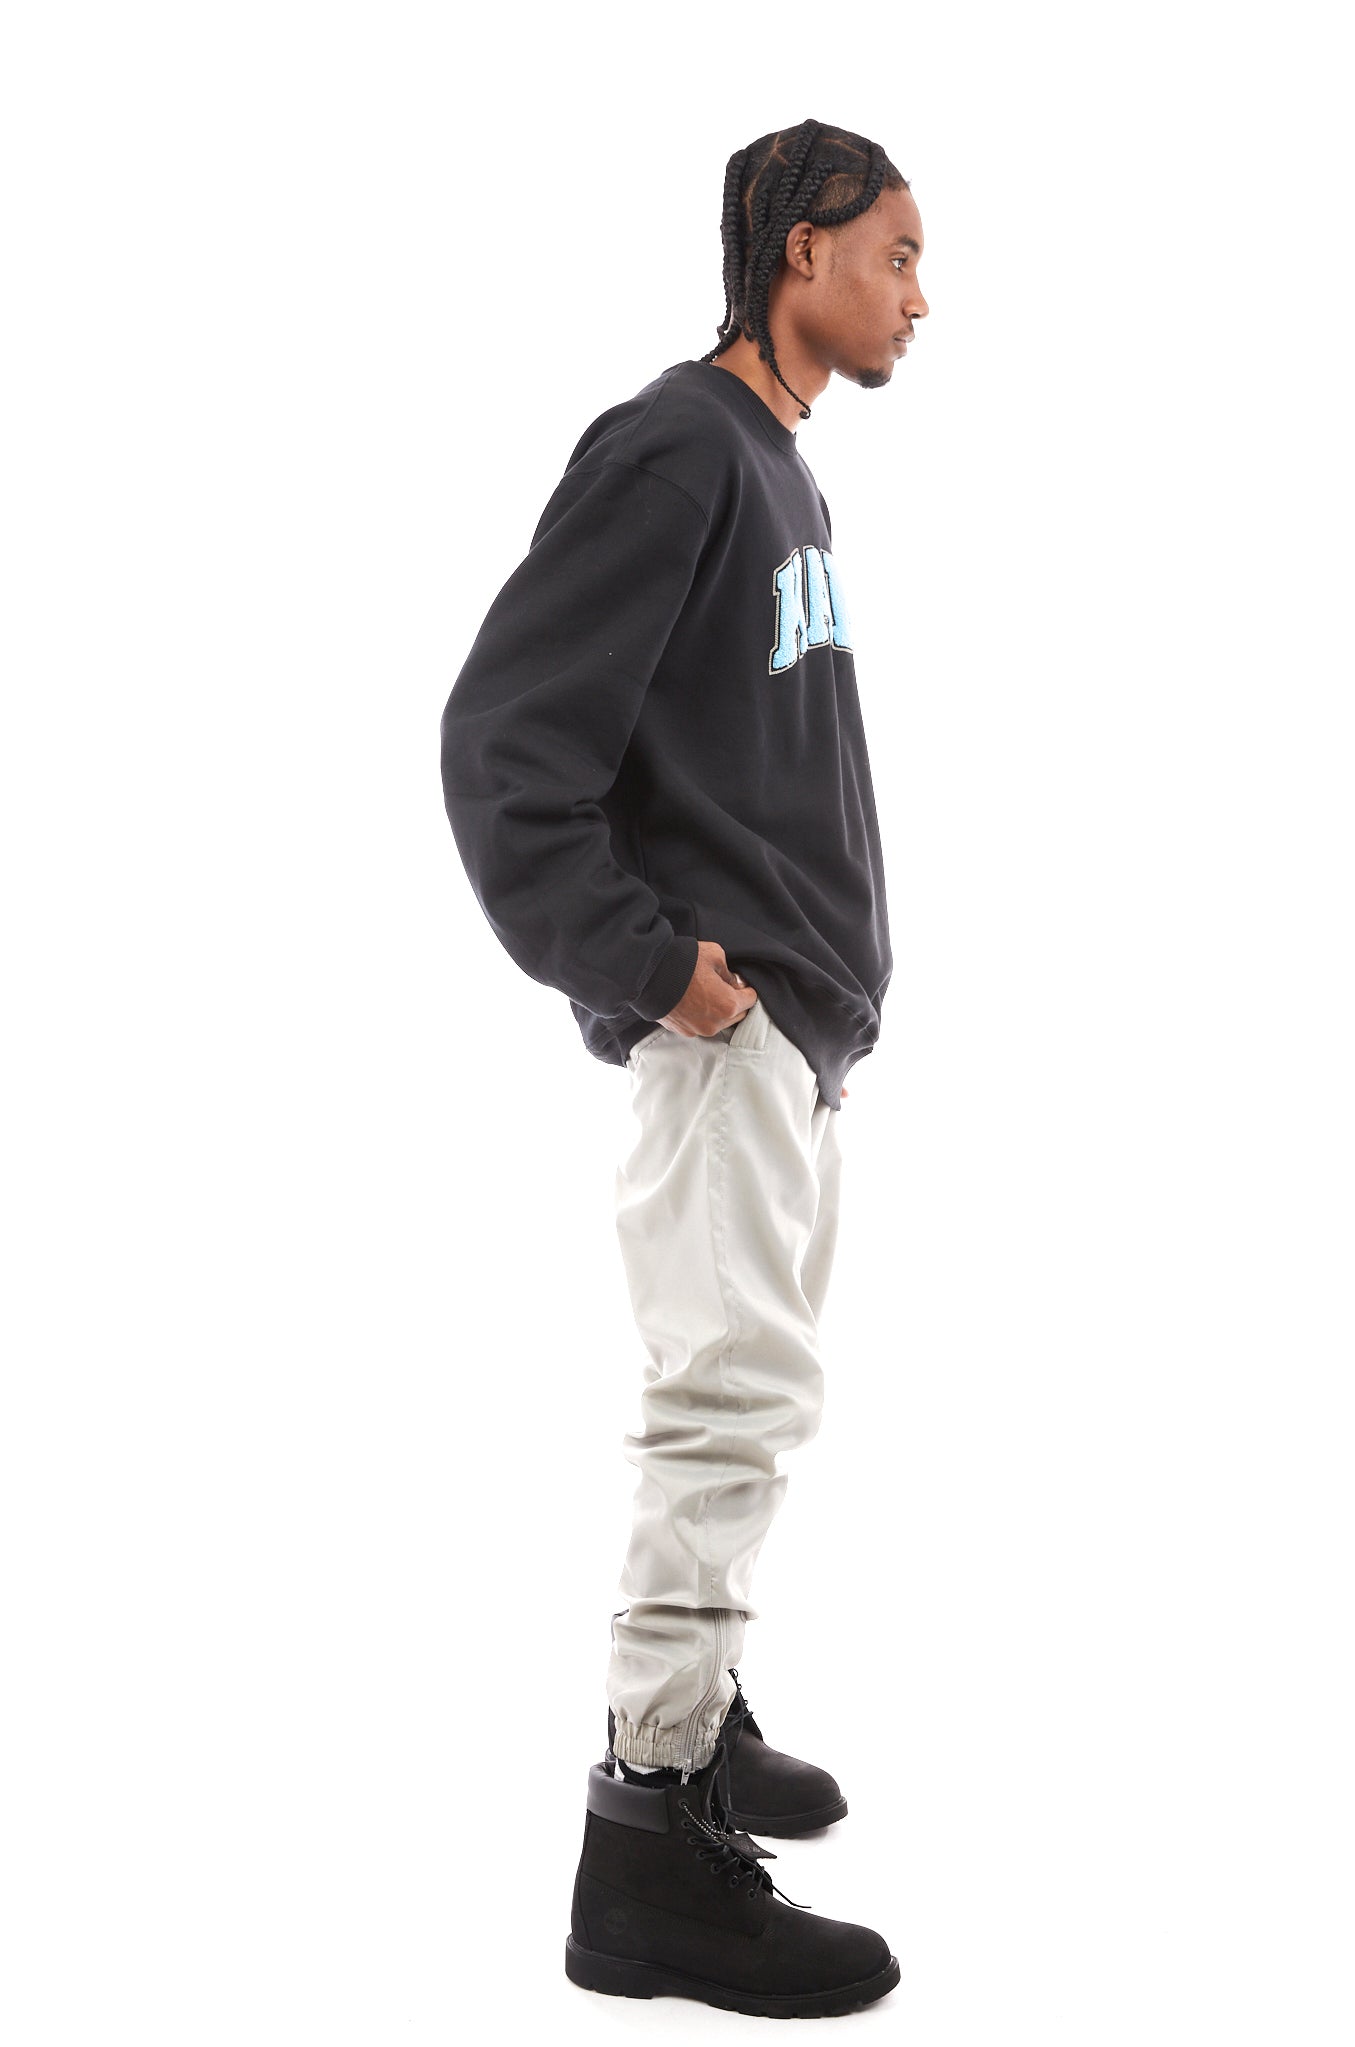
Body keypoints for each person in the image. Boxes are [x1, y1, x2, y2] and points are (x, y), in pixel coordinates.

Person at [439, 117, 927, 2018]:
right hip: (725, 1029)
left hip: (789, 1036)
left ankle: (698, 1717)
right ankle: (645, 1845)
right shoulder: (676, 447)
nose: (917, 296)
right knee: (724, 1406)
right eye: (894, 253)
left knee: (754, 1396)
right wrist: (659, 971)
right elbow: (505, 744)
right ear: (802, 251)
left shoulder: (778, 470)